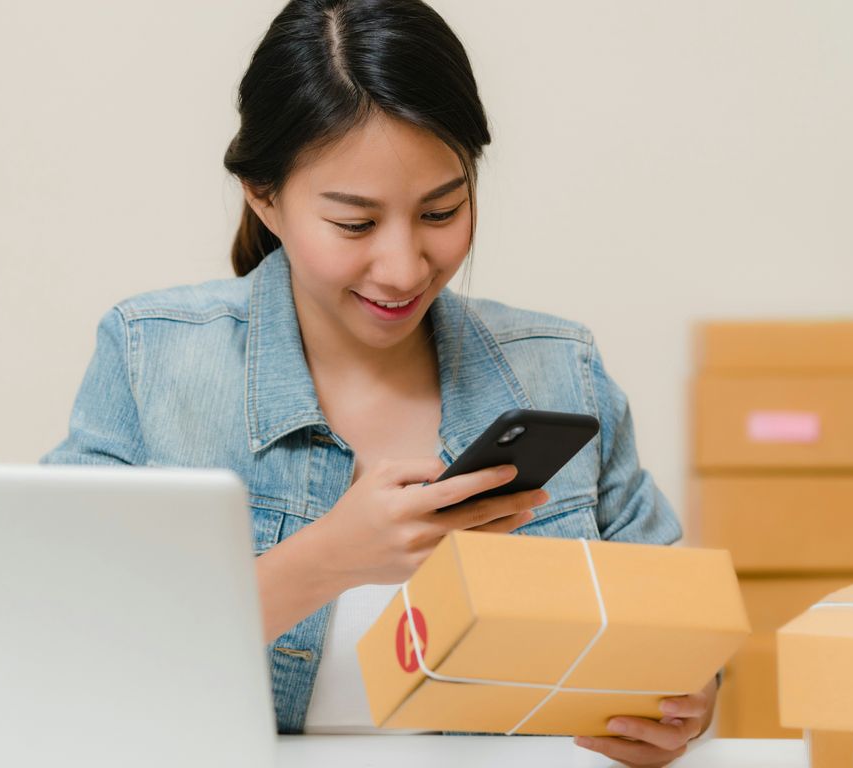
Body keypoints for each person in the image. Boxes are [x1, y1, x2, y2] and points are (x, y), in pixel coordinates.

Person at [42, 0, 716, 764]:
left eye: (442, 210)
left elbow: (680, 636)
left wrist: (681, 698)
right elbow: (59, 648)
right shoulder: (150, 358)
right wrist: (328, 557)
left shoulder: (560, 369)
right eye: (355, 224)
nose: (403, 269)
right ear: (264, 196)